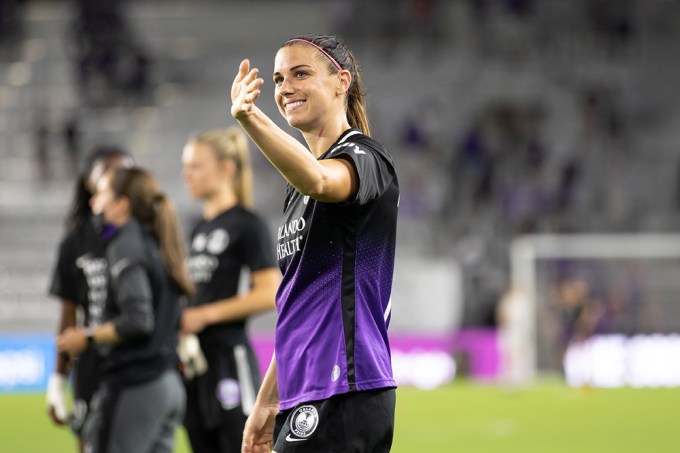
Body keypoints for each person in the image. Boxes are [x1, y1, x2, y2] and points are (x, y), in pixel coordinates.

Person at [231, 33, 400, 452]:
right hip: (305, 391)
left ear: (341, 81)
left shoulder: (364, 156)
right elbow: (298, 304)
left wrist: (250, 118)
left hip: (345, 384)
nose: (285, 88)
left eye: (300, 73)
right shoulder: (297, 190)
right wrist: (268, 401)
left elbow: (321, 179)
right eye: (277, 78)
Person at [56, 166, 192, 453]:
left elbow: (138, 320)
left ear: (121, 204)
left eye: (102, 194)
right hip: (167, 385)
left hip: (135, 387)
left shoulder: (125, 245)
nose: (94, 202)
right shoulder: (156, 242)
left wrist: (87, 337)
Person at [179, 126, 280, 452]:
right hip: (194, 363)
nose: (187, 174)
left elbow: (269, 292)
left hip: (228, 358)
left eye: (196, 166)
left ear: (226, 169)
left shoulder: (247, 225)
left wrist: (205, 315)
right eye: (186, 166)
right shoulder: (196, 227)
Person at [46, 145, 134, 452]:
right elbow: (68, 315)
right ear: (90, 182)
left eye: (125, 172)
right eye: (109, 172)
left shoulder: (144, 234)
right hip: (92, 365)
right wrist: (58, 378)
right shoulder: (75, 241)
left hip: (138, 360)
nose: (118, 179)